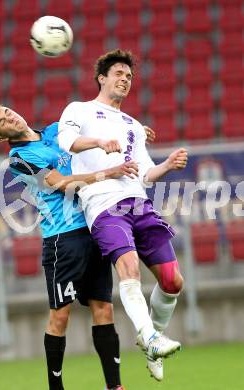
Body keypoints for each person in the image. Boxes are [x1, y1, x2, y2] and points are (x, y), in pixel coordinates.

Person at [0, 103, 153, 389]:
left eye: (8, 112)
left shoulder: (53, 132)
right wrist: (112, 172)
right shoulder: (19, 159)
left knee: (103, 308)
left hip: (92, 226)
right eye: (3, 122)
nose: (10, 117)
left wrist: (131, 133)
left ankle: (114, 386)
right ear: (2, 137)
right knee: (61, 315)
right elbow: (61, 183)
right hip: (63, 240)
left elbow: (91, 136)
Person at [58, 49, 188, 382]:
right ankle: (150, 335)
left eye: (129, 76)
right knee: (128, 267)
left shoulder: (132, 125)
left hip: (138, 203)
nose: (124, 80)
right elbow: (67, 141)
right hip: (102, 203)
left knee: (173, 281)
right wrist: (99, 142)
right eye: (118, 73)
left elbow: (144, 173)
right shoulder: (80, 109)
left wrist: (166, 165)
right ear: (101, 77)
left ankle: (151, 338)